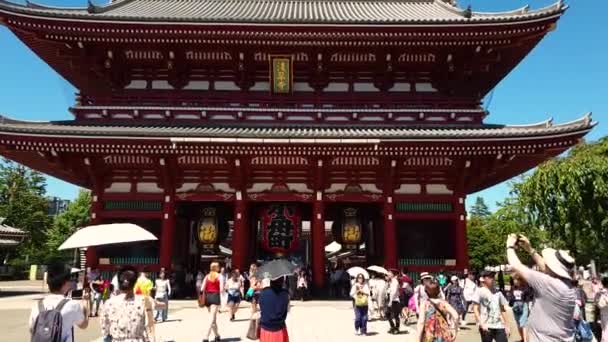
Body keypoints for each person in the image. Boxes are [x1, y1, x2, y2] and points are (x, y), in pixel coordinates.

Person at [506, 234, 577, 342]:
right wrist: (529, 249)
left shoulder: (547, 284)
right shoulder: (567, 285)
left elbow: (516, 265)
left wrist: (509, 246)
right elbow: (546, 267)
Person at [29, 263, 90, 341]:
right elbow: (84, 325)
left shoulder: (37, 305)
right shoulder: (72, 305)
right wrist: (86, 303)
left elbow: (32, 329)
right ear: (65, 283)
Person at [101, 266, 155, 342]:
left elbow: (105, 330)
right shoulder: (144, 301)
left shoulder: (108, 303)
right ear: (135, 283)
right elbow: (149, 326)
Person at [472, 270, 511, 342]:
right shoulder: (479, 291)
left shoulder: (498, 293)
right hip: (486, 325)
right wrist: (481, 323)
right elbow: (475, 308)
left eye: (493, 277)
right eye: (489, 277)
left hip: (499, 325)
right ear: (483, 279)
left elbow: (503, 310)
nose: (492, 279)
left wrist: (507, 325)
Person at [259, 277, 290, 342]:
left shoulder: (263, 292)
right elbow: (285, 311)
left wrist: (251, 288)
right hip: (279, 328)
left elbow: (249, 298)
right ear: (282, 282)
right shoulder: (285, 294)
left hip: (265, 328)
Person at [201, 262, 224, 342]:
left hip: (208, 297)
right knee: (212, 318)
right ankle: (206, 336)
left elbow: (202, 288)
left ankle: (217, 335)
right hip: (215, 296)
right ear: (217, 268)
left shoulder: (207, 276)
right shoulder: (220, 276)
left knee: (213, 319)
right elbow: (221, 289)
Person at [510, 274, 532, 342]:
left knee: (523, 324)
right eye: (514, 280)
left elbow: (529, 297)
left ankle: (525, 340)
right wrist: (511, 302)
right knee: (518, 324)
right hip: (515, 307)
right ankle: (522, 338)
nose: (514, 281)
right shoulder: (513, 288)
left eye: (516, 280)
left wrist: (528, 307)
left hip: (523, 306)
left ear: (520, 280)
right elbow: (511, 297)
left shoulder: (525, 288)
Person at [387, 269, 403, 334]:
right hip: (392, 300)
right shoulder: (391, 281)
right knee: (388, 314)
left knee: (395, 315)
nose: (388, 274)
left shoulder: (395, 281)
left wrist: (390, 301)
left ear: (393, 274)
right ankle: (393, 327)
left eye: (389, 273)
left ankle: (396, 328)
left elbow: (393, 293)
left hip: (394, 301)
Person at [596, 277, 608, 342]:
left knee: (604, 329)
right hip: (605, 313)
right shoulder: (603, 292)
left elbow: (596, 302)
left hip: (602, 313)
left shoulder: (599, 293)